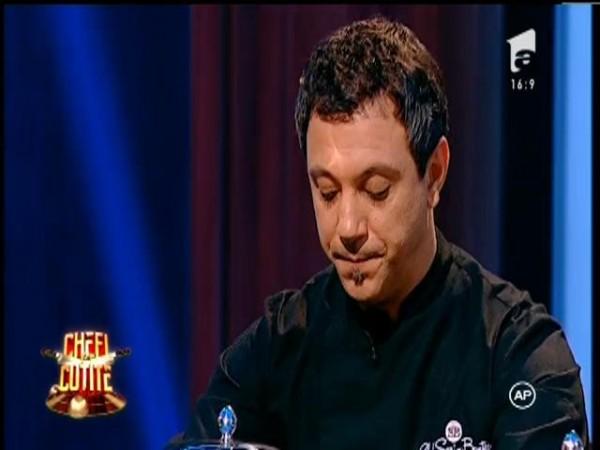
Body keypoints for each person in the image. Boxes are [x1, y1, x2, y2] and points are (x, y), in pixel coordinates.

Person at [167, 16, 589, 450]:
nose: (347, 227)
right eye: (327, 192)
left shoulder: (517, 353)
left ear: (435, 173)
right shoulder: (276, 352)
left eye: (376, 190)